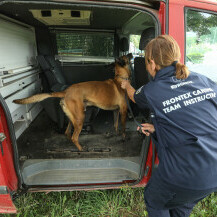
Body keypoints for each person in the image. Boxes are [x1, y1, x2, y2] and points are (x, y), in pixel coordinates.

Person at [121, 35, 217, 217]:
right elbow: (197, 118)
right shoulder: (204, 81)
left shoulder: (151, 91)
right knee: (182, 204)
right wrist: (158, 128)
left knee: (154, 199)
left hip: (184, 174)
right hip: (213, 171)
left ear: (151, 63)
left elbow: (134, 96)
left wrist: (126, 86)